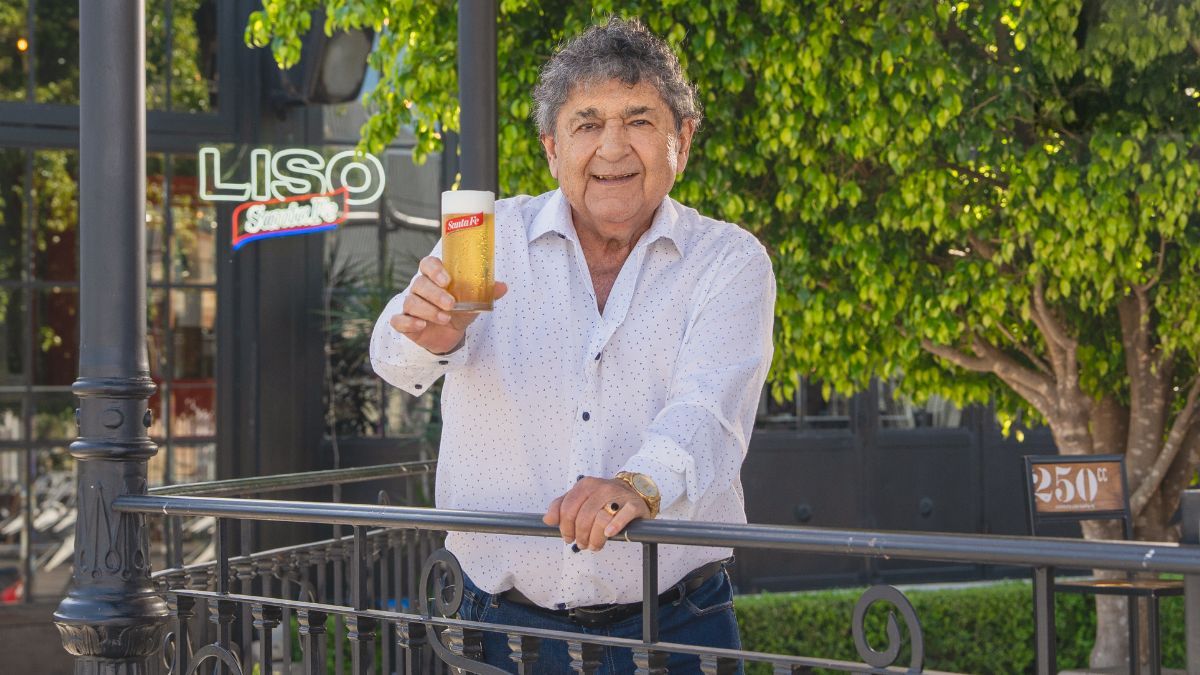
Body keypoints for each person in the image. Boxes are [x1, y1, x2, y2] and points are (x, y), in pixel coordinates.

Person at [370, 16, 775, 674]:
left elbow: (710, 410)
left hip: (676, 623)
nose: (612, 148)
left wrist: (637, 485)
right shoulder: (487, 237)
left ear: (684, 138)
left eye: (639, 119)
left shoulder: (730, 261)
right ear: (552, 149)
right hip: (495, 629)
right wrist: (425, 337)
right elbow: (393, 352)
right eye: (587, 123)